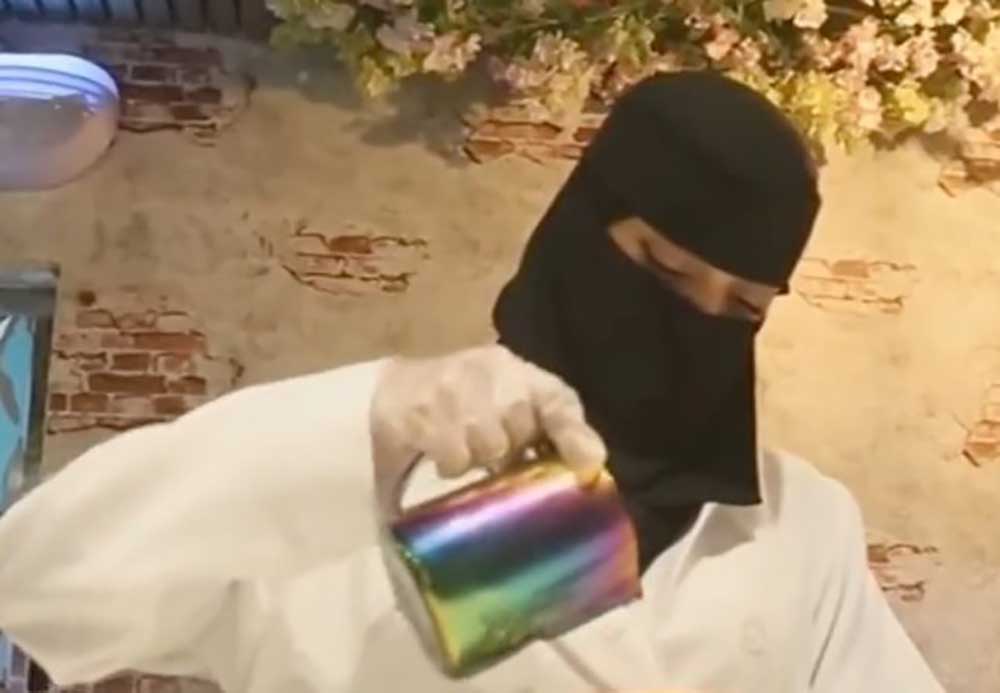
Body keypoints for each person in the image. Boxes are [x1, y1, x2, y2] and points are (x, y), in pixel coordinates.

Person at [0, 73, 944, 693]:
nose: (697, 325)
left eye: (743, 308)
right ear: (578, 231)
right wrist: (365, 420)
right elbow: (41, 585)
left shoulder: (796, 526)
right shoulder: (359, 472)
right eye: (663, 271)